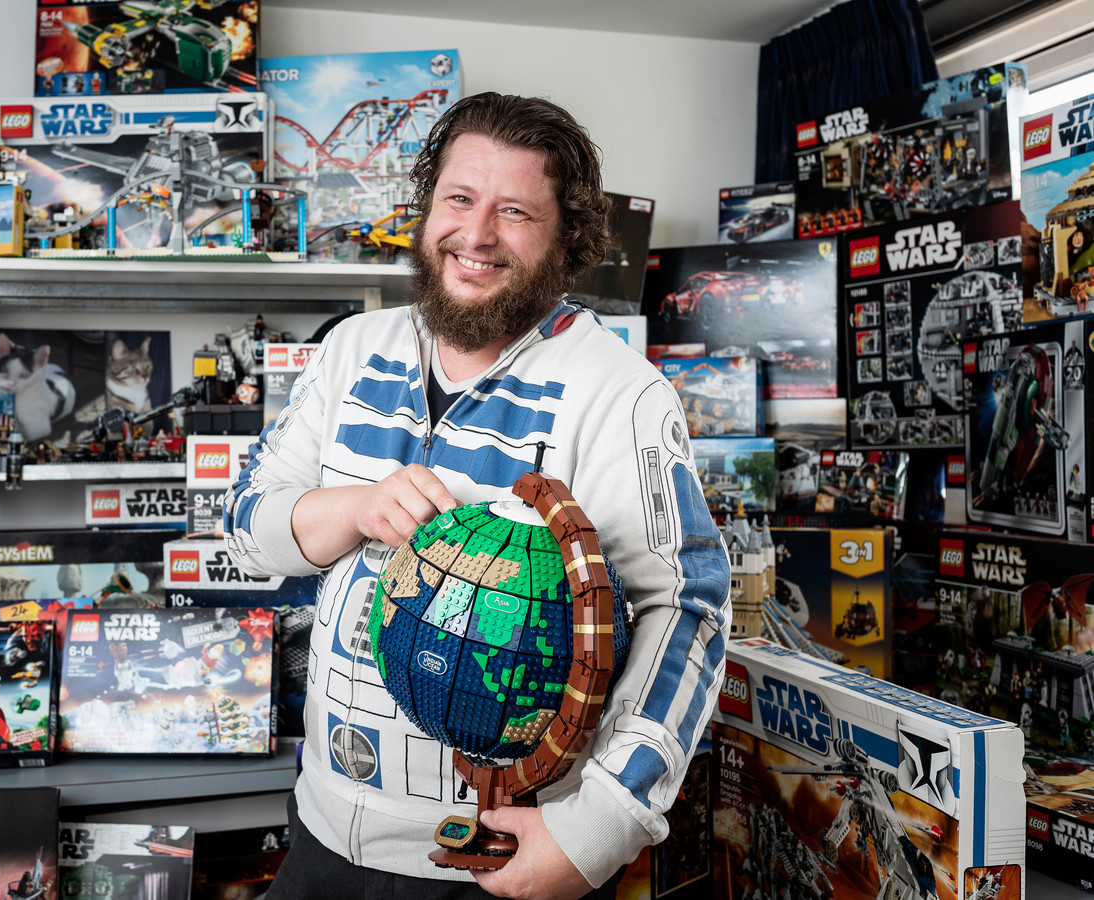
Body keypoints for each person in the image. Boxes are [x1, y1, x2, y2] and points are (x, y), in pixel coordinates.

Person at [225, 92, 730, 900]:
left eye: (516, 212)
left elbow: (687, 610)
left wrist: (599, 826)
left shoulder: (620, 392)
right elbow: (247, 529)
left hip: (501, 854)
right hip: (320, 831)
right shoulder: (351, 348)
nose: (477, 234)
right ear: (428, 209)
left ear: (567, 238)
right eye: (459, 199)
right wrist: (356, 509)